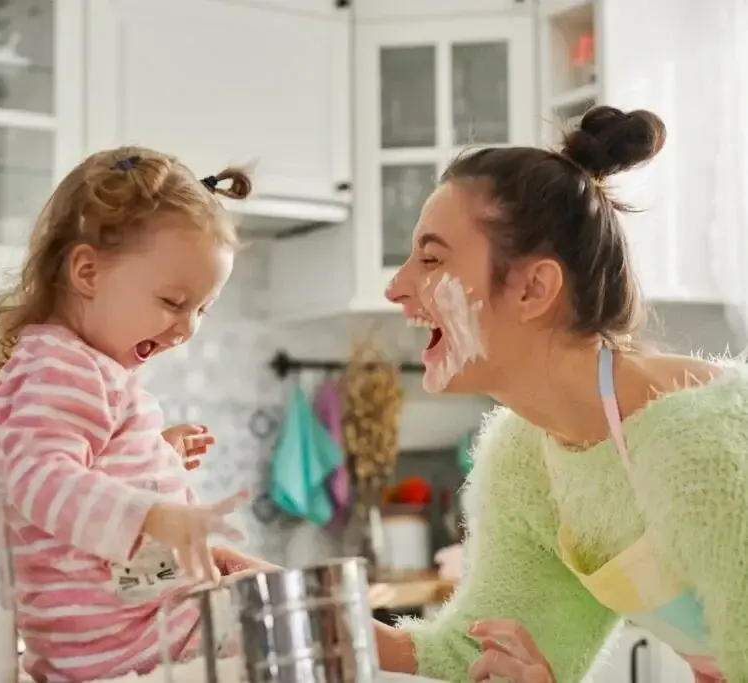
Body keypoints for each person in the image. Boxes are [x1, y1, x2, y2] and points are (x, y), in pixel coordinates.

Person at [227, 106, 748, 683]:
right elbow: (474, 650)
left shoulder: (701, 442)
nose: (397, 287)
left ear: (533, 288)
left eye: (430, 259)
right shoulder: (528, 457)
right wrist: (279, 600)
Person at [0, 148, 253, 681]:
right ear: (87, 271)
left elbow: (81, 461)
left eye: (201, 309)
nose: (188, 328)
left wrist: (155, 452)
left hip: (131, 628)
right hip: (122, 645)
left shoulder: (79, 365)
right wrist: (152, 515)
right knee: (277, 628)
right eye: (173, 302)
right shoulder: (58, 367)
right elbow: (38, 478)